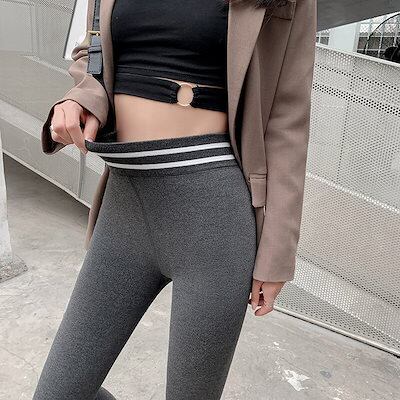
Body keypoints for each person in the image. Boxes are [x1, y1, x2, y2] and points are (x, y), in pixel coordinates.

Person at [33, 0, 317, 398]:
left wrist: (277, 252)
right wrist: (79, 99)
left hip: (213, 215)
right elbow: (92, 52)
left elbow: (288, 114)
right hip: (125, 202)